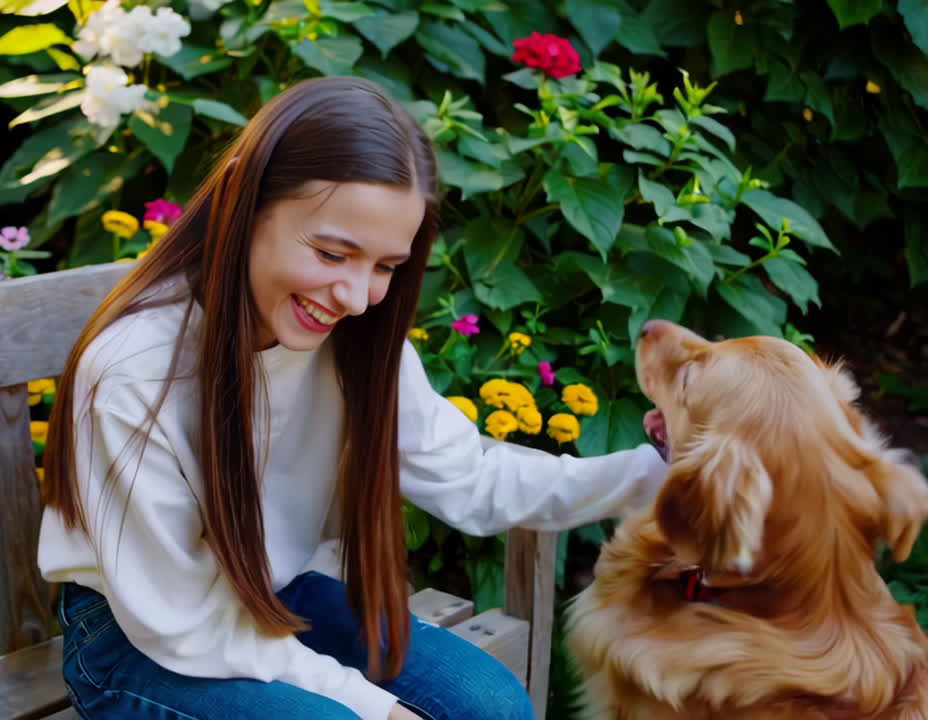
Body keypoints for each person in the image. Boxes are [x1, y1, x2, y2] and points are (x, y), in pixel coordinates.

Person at [38, 75, 668, 720]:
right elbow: (181, 622)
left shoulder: (357, 342)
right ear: (244, 207)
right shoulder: (137, 371)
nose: (358, 295)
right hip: (141, 635)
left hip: (275, 595)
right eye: (333, 253)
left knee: (492, 703)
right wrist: (380, 710)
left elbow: (471, 479)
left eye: (386, 266)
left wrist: (657, 474)